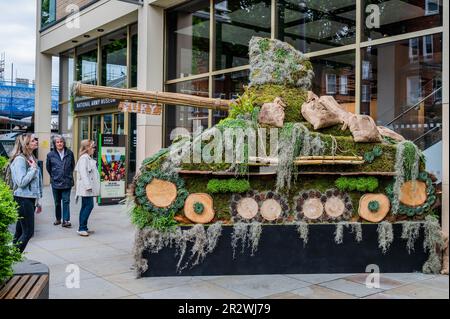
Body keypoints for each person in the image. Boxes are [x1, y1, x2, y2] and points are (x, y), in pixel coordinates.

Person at [9, 133, 43, 252]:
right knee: (28, 232)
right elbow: (21, 182)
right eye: (34, 140)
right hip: (22, 199)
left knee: (20, 232)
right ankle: (12, 259)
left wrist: (37, 201)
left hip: (28, 198)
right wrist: (33, 169)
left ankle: (11, 258)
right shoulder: (20, 159)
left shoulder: (30, 158)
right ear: (26, 144)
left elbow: (35, 184)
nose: (36, 142)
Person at [46, 135, 75, 228]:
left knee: (66, 201)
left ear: (64, 143)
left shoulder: (70, 153)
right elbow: (48, 168)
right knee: (57, 202)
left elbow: (72, 166)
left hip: (67, 181)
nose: (59, 143)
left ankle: (66, 220)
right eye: (57, 142)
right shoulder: (50, 155)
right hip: (56, 182)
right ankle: (58, 218)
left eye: (61, 142)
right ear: (54, 144)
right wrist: (55, 176)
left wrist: (68, 175)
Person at [75, 139, 100, 237]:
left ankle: (83, 227)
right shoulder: (84, 158)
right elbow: (83, 173)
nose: (94, 149)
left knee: (85, 206)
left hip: (87, 188)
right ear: (87, 148)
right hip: (86, 188)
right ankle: (81, 228)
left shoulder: (87, 158)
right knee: (88, 206)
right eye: (93, 147)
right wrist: (88, 186)